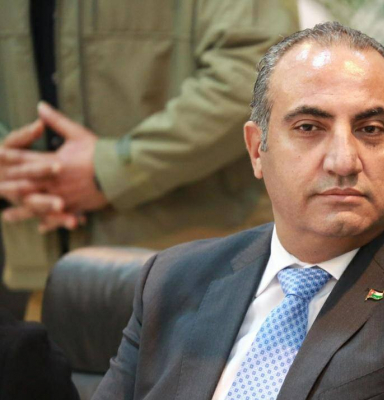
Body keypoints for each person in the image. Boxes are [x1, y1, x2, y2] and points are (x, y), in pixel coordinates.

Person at [93, 22, 384, 400]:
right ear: (257, 149)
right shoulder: (174, 280)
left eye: (370, 129)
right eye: (309, 127)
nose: (344, 161)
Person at [0, 0, 298, 292]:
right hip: (39, 273)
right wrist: (15, 171)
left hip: (197, 271)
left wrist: (112, 170)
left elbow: (261, 68)